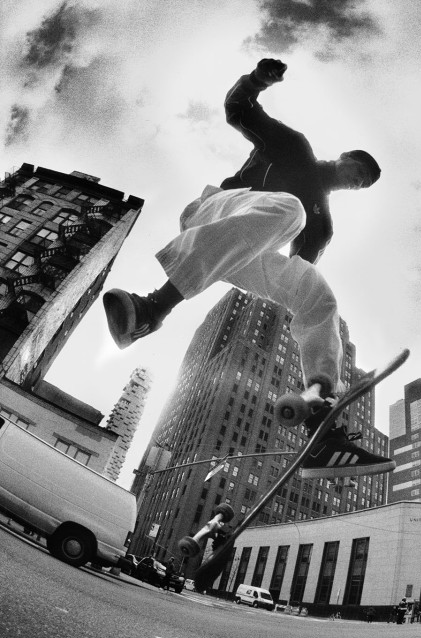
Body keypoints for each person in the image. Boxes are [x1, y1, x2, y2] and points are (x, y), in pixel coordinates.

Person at [103, 58, 394, 479]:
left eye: (361, 185)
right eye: (358, 172)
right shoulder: (295, 147)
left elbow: (293, 283)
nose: (355, 182)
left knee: (317, 293)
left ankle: (322, 418)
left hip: (240, 252)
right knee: (290, 209)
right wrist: (258, 80)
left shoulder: (323, 226)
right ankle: (152, 308)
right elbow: (238, 109)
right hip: (212, 215)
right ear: (345, 156)